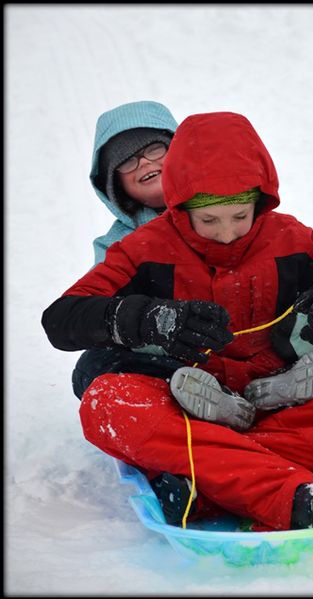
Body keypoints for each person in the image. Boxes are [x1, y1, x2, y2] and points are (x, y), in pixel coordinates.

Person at [42, 111, 313, 532]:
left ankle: (204, 473)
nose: (227, 233)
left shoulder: (290, 237)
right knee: (106, 403)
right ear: (181, 208)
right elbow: (61, 319)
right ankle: (282, 492)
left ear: (260, 201)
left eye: (239, 216)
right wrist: (148, 319)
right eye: (209, 220)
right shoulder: (142, 247)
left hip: (272, 381)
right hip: (183, 389)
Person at [72, 100, 185, 401]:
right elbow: (99, 307)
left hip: (239, 338)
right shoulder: (115, 247)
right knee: (93, 367)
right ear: (115, 184)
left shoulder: (223, 208)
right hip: (170, 355)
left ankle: (280, 384)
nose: (145, 163)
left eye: (154, 149)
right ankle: (188, 395)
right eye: (128, 161)